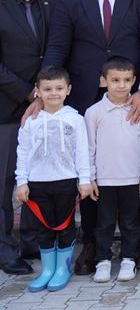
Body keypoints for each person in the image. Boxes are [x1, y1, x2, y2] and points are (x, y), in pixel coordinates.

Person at [41, 0, 140, 275]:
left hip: (130, 97)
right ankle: (94, 244)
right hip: (84, 98)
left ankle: (133, 245)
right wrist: (43, 92)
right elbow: (58, 45)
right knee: (91, 169)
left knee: (129, 169)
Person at [0, 0, 60, 274]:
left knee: (38, 177)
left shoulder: (54, 5)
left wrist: (43, 94)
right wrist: (29, 93)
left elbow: (57, 49)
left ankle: (32, 241)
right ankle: (5, 250)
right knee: (4, 184)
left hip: (45, 108)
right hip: (7, 108)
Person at [15, 67, 91, 293]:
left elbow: (82, 151)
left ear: (68, 89)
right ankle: (47, 270)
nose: (54, 93)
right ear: (37, 91)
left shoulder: (75, 119)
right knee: (43, 229)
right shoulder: (31, 121)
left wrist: (84, 179)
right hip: (37, 183)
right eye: (47, 89)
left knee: (65, 227)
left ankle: (62, 268)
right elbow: (22, 151)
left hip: (66, 181)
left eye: (59, 88)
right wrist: (22, 181)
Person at [85, 57, 140, 284]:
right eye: (115, 80)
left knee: (130, 223)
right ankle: (103, 260)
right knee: (104, 223)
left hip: (132, 178)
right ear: (103, 81)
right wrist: (90, 177)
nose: (121, 85)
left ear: (134, 81)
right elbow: (89, 147)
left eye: (126, 80)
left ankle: (128, 259)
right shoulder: (94, 112)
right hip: (104, 180)